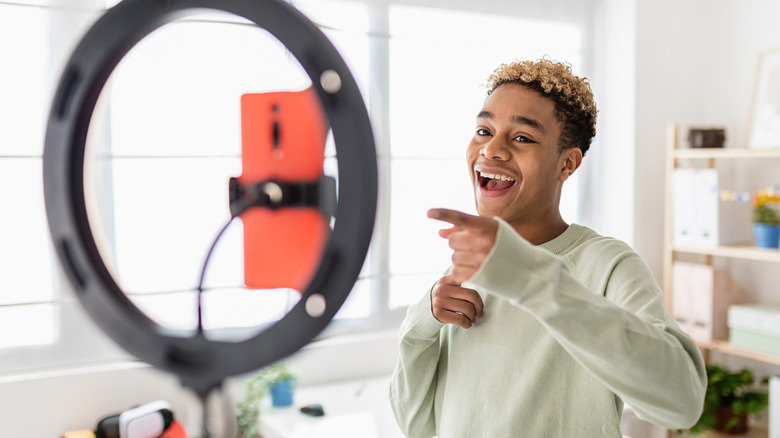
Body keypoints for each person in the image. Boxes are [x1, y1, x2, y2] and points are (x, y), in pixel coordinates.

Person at [389, 59, 706, 437]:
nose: (492, 149)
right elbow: (416, 425)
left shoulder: (608, 265)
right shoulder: (467, 270)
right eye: (483, 129)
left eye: (521, 137)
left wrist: (531, 280)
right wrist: (423, 322)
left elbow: (682, 403)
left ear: (567, 164)